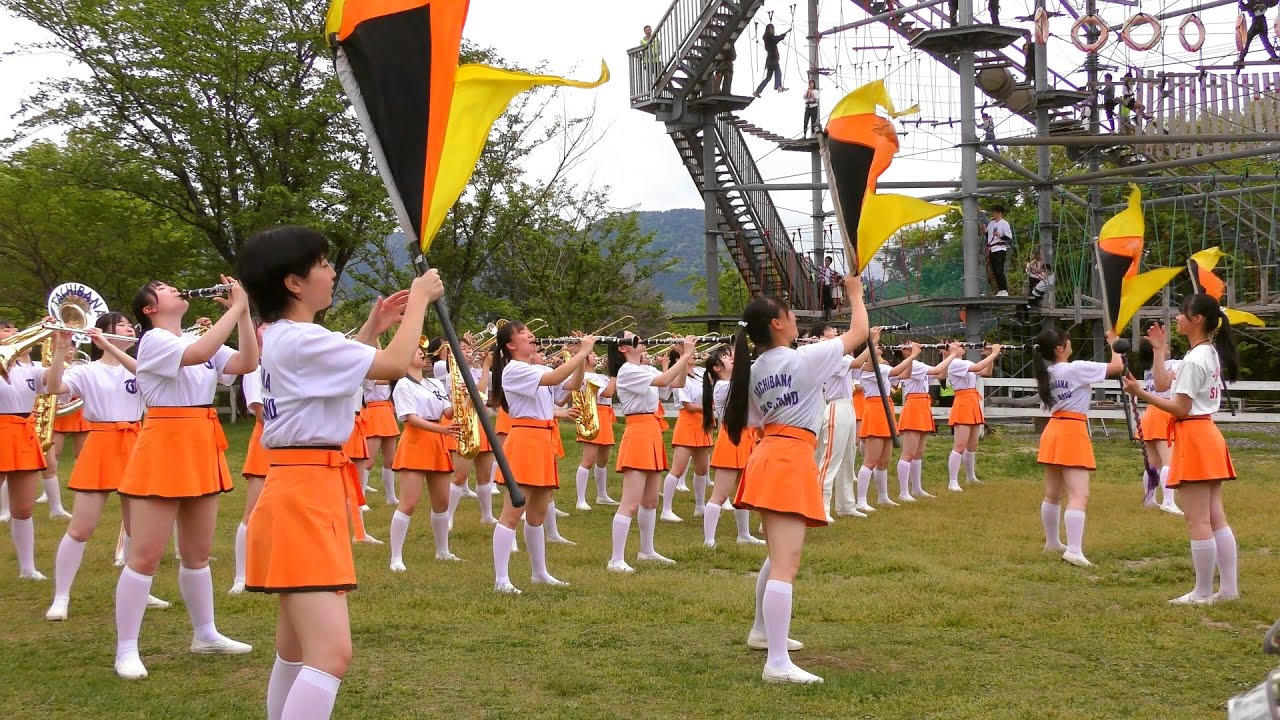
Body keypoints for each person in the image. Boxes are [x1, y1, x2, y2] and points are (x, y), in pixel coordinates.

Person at [237, 225, 440, 720]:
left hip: (304, 488)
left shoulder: (290, 338)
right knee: (330, 655)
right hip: (304, 493)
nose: (331, 272)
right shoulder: (301, 339)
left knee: (296, 649)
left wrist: (372, 328)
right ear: (293, 282)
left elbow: (341, 370)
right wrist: (419, 301)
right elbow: (393, 365)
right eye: (323, 264)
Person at [112, 275, 259, 680]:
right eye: (162, 287)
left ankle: (205, 634)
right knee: (145, 555)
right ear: (149, 309)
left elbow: (248, 363)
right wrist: (232, 309)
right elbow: (196, 354)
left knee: (197, 553)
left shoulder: (200, 336)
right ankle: (126, 648)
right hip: (164, 441)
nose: (174, 288)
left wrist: (243, 311)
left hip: (198, 441)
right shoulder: (155, 340)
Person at [724, 272, 868, 684]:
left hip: (770, 453)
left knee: (776, 554)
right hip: (788, 457)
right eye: (789, 314)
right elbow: (859, 332)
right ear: (777, 323)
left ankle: (762, 632)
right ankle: (776, 662)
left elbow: (752, 419)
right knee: (787, 563)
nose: (794, 319)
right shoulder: (802, 359)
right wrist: (855, 293)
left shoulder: (752, 371)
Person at [1123, 297, 1240, 604]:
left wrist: (1140, 393)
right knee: (1215, 517)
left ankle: (1203, 591)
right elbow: (1163, 382)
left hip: (1195, 436)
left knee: (1198, 519)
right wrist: (1160, 350)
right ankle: (1227, 590)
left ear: (1197, 319)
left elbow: (1179, 408)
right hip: (1206, 435)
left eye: (1181, 314)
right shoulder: (1205, 353)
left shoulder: (1195, 359)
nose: (1176, 318)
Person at [488, 323, 597, 594]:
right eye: (523, 333)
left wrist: (577, 356)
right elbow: (552, 379)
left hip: (543, 439)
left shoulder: (538, 368)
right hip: (525, 438)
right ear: (511, 345)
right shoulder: (514, 369)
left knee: (538, 512)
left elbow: (571, 386)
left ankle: (540, 572)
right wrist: (582, 353)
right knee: (513, 512)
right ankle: (501, 579)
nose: (530, 335)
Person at [1033, 327, 1124, 568]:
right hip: (1072, 430)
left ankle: (1053, 542)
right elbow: (1116, 368)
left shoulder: (1048, 372)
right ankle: (1074, 550)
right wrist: (1114, 342)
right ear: (1060, 348)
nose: (1070, 342)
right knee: (1079, 494)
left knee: (1053, 493)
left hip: (1054, 429)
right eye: (1066, 340)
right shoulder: (1075, 368)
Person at [608, 331, 694, 573]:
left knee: (650, 500)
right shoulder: (627, 371)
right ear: (623, 348)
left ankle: (647, 550)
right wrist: (684, 353)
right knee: (630, 502)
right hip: (638, 431)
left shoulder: (645, 369)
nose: (641, 340)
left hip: (651, 431)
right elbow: (665, 380)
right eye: (634, 338)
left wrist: (682, 355)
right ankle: (616, 558)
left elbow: (676, 382)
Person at [0, 320, 70, 581]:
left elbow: (54, 383)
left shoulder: (30, 368)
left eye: (15, 330)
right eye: (6, 329)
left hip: (23, 432)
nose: (14, 333)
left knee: (24, 508)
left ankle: (27, 568)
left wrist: (60, 346)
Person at [389, 338, 460, 571]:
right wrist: (442, 429)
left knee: (442, 502)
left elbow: (446, 411)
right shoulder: (402, 385)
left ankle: (443, 551)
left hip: (437, 440)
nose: (423, 355)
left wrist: (464, 399)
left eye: (423, 352)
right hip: (416, 441)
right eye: (417, 351)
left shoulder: (435, 384)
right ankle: (396, 557)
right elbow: (410, 418)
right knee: (408, 503)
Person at [701, 346, 765, 547]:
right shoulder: (722, 386)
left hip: (746, 438)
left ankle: (744, 535)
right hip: (731, 440)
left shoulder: (732, 381)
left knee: (742, 492)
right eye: (727, 358)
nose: (732, 359)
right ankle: (709, 540)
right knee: (720, 494)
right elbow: (745, 384)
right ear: (717, 368)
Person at [853, 331, 914, 511]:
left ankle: (883, 497)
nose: (881, 351)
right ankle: (861, 500)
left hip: (886, 409)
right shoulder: (866, 369)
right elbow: (893, 369)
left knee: (884, 460)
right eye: (877, 349)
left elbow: (903, 375)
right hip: (874, 409)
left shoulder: (884, 368)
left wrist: (910, 357)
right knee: (870, 460)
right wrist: (873, 342)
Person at [893, 342, 959, 501]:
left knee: (918, 453)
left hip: (923, 405)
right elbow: (936, 370)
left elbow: (940, 375)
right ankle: (903, 492)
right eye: (910, 346)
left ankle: (916, 488)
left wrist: (945, 355)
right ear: (904, 351)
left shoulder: (918, 364)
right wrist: (952, 355)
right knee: (908, 452)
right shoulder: (912, 364)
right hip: (914, 406)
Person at [230, 321, 268, 595]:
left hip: (293, 443)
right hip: (267, 441)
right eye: (264, 327)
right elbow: (261, 413)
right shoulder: (254, 367)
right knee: (253, 512)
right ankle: (241, 576)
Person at [811, 324, 862, 520]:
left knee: (849, 456)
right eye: (831, 329)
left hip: (848, 405)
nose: (836, 331)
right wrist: (869, 342)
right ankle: (821, 507)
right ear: (822, 336)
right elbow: (857, 364)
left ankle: (846, 504)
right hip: (835, 407)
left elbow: (862, 366)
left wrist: (870, 347)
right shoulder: (830, 356)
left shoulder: (845, 356)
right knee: (831, 458)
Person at [661, 349, 712, 522]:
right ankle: (666, 509)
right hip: (688, 423)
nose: (695, 355)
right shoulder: (679, 378)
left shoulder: (700, 373)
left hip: (703, 423)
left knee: (702, 469)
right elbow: (688, 406)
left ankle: (700, 506)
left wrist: (710, 360)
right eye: (691, 353)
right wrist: (711, 409)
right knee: (678, 468)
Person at [1135, 334, 1183, 515]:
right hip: (1164, 414)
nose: (1168, 345)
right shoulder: (1173, 365)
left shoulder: (1149, 370)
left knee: (1152, 463)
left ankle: (1150, 498)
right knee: (1168, 461)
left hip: (1150, 414)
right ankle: (1168, 501)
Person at [945, 343, 1003, 492]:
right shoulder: (954, 363)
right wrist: (994, 353)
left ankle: (971, 477)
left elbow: (986, 372)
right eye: (956, 344)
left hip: (972, 401)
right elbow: (977, 368)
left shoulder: (966, 362)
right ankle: (953, 481)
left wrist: (989, 357)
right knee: (960, 445)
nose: (961, 345)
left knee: (972, 445)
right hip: (963, 402)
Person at [44, 342, 87, 520]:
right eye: (66, 346)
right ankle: (49, 493)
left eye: (73, 347)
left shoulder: (80, 366)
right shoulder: (52, 366)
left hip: (78, 412)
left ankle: (83, 488)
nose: (70, 349)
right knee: (54, 454)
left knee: (83, 454)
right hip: (59, 415)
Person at [572, 353, 618, 511]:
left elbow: (615, 389)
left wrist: (612, 370)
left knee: (603, 458)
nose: (596, 356)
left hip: (605, 415)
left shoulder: (601, 376)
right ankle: (581, 499)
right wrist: (614, 373)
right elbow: (607, 393)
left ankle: (602, 495)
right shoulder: (584, 376)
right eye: (592, 354)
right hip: (592, 413)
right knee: (588, 459)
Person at [361, 378, 401, 505]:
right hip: (373, 412)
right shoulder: (369, 372)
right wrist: (395, 376)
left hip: (386, 411)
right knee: (368, 461)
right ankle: (361, 500)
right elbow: (378, 381)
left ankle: (391, 497)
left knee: (390, 460)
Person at [1237, 0, 1280, 69]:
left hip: (1256, 22)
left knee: (1247, 40)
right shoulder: (1265, 1)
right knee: (1265, 40)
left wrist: (1240, 2)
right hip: (1262, 22)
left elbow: (1243, 8)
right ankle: (1274, 56)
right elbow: (1272, 3)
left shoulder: (1252, 3)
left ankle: (1241, 58)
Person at [754, 23, 789, 97]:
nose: (773, 30)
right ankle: (778, 87)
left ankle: (758, 91)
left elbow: (776, 39)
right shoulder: (768, 38)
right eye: (772, 29)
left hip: (770, 60)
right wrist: (783, 35)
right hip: (772, 59)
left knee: (768, 78)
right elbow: (776, 39)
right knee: (778, 73)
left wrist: (782, 35)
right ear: (769, 29)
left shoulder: (768, 38)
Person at [984, 205, 1012, 296]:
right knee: (994, 271)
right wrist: (984, 231)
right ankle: (999, 290)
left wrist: (999, 235)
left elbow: (1008, 237)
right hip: (991, 249)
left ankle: (1004, 289)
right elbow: (988, 236)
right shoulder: (991, 223)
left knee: (1000, 270)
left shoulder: (1004, 223)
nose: (993, 214)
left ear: (999, 213)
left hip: (1000, 248)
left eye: (994, 212)